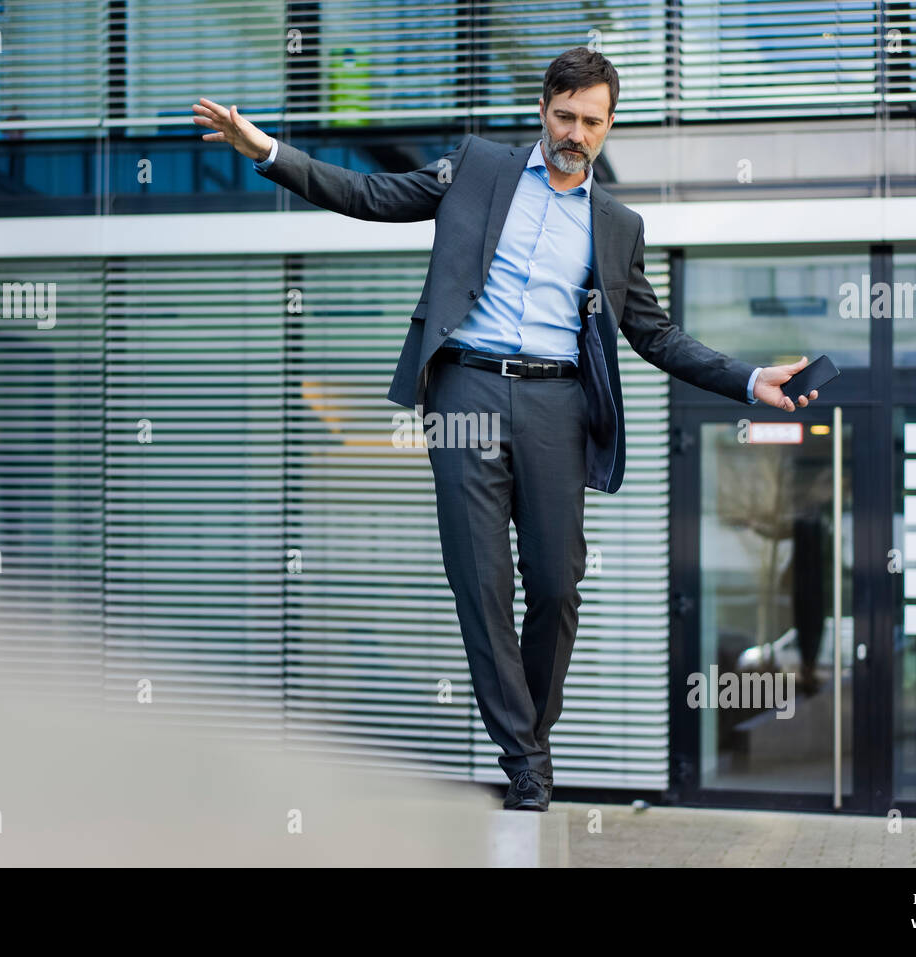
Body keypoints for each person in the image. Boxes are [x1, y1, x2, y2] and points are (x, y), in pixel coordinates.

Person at [193, 47, 819, 812]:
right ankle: (526, 759)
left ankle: (530, 732)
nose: (576, 134)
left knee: (556, 585)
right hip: (466, 389)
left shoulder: (618, 226)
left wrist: (751, 379)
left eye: (593, 122)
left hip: (558, 405)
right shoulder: (479, 169)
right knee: (480, 582)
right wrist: (268, 151)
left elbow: (655, 335)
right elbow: (371, 193)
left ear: (609, 124)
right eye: (565, 117)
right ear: (543, 109)